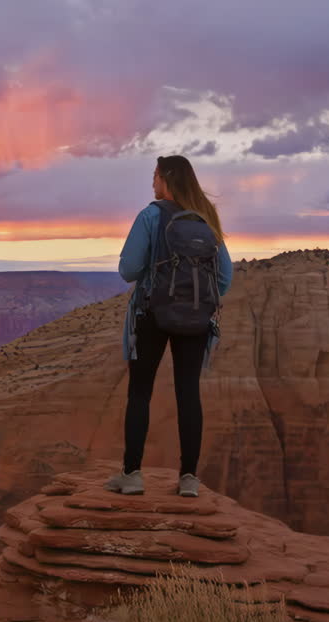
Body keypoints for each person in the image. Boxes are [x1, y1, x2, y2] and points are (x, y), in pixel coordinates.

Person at [104, 155, 233, 497]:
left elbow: (128, 270)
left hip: (152, 314)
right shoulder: (206, 217)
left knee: (140, 391)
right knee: (188, 393)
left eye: (155, 176)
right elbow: (225, 277)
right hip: (196, 318)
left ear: (167, 179)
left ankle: (132, 475)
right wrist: (199, 301)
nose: (152, 183)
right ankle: (189, 479)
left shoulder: (150, 215)